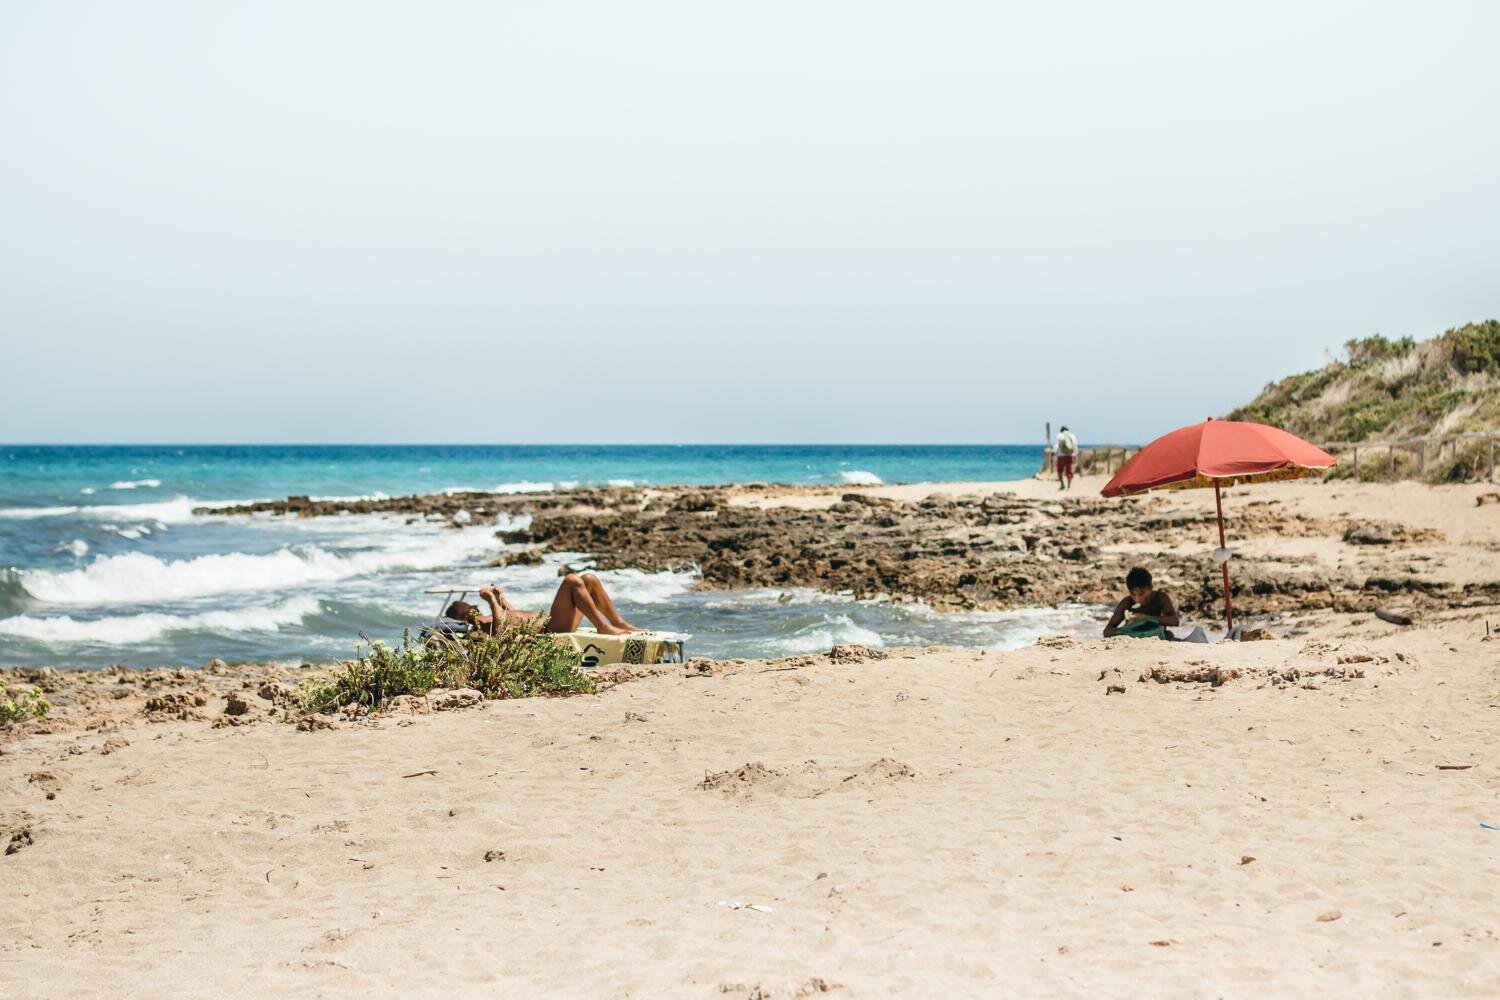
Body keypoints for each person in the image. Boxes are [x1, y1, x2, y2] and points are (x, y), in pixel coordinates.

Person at [448, 573, 643, 637]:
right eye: (467, 607)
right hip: (551, 629)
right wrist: (491, 601)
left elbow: (514, 616)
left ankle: (618, 622)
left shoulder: (491, 613)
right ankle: (603, 627)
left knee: (588, 579)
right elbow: (501, 632)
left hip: (554, 622)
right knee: (571, 581)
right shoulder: (479, 626)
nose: (472, 606)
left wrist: (501, 599)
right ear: (463, 617)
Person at [1103, 567, 1180, 639]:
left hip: (1156, 635)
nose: (1138, 599)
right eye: (1133, 594)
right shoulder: (1127, 602)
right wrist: (1124, 629)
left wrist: (1146, 618)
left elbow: (1175, 621)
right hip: (1134, 636)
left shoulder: (1160, 598)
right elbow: (1107, 631)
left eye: (1142, 594)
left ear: (1151, 588)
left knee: (1169, 635)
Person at [1055, 425, 1078, 491]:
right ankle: (1069, 486)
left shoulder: (1059, 436)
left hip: (1061, 456)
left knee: (1060, 471)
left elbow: (1056, 446)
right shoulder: (1072, 436)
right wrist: (1075, 455)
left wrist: (1054, 454)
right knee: (1069, 471)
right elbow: (1075, 446)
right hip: (1070, 455)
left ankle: (1062, 485)